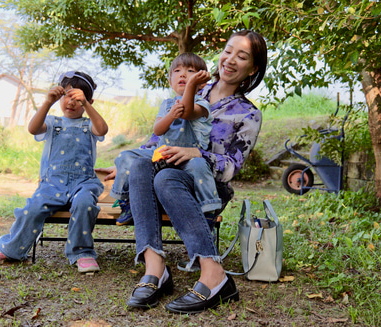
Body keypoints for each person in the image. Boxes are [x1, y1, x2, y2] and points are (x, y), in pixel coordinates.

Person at [98, 30, 267, 313]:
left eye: (242, 56)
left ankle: (214, 275)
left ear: (253, 68)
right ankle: (155, 268)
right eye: (228, 51)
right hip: (170, 172)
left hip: (208, 185)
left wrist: (196, 152)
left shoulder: (248, 113)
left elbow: (230, 167)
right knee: (141, 164)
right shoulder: (192, 90)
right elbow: (160, 138)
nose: (230, 60)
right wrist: (123, 164)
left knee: (165, 177)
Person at [0, 71, 108, 273]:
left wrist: (87, 105)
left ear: (88, 101)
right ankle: (11, 249)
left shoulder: (89, 124)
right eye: (67, 96)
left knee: (85, 204)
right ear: (60, 97)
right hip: (52, 183)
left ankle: (82, 252)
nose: (72, 102)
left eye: (78, 98)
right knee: (32, 208)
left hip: (83, 183)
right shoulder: (52, 122)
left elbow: (102, 130)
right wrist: (48, 102)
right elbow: (33, 128)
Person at [110, 53, 219, 226]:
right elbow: (158, 130)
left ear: (202, 82)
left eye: (190, 71)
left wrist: (191, 85)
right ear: (170, 81)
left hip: (187, 157)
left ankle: (208, 210)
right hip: (161, 153)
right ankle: (127, 201)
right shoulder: (166, 104)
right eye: (177, 71)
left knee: (200, 165)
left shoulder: (202, 104)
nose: (183, 74)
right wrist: (169, 116)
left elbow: (187, 111)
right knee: (126, 156)